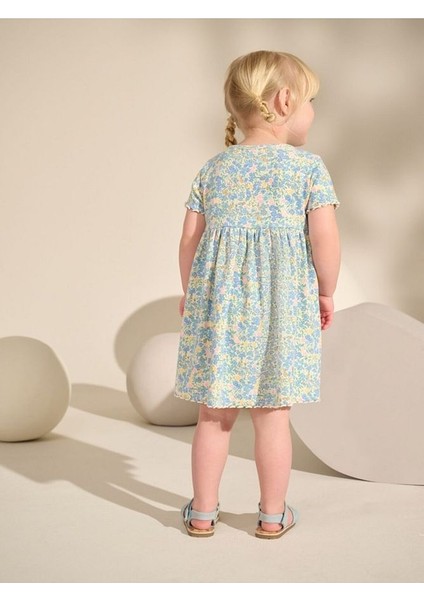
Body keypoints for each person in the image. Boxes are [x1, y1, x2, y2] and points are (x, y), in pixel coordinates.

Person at [174, 50, 341, 539]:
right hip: (282, 310)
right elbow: (325, 240)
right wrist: (326, 291)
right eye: (310, 101)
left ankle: (203, 512)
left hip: (221, 310)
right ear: (285, 101)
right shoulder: (308, 169)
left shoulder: (213, 169)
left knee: (213, 415)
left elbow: (189, 241)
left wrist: (192, 293)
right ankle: (272, 515)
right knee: (272, 416)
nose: (312, 111)